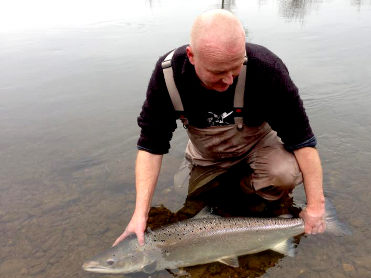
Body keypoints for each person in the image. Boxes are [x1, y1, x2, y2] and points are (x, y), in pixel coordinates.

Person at [113, 9, 326, 247]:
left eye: (235, 69)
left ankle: (254, 197)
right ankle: (234, 186)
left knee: (282, 174)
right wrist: (139, 215)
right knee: (195, 204)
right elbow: (151, 146)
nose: (228, 81)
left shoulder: (268, 69)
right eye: (217, 72)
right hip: (207, 157)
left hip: (258, 145)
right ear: (192, 56)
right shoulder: (169, 75)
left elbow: (303, 142)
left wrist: (316, 207)